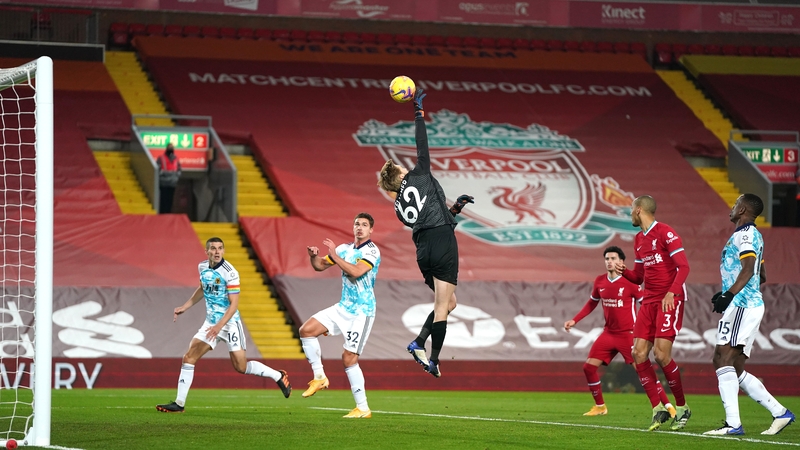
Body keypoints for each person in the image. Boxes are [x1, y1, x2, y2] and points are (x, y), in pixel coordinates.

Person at [377, 89, 474, 378]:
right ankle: (433, 359)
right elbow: (422, 143)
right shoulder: (418, 173)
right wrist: (418, 113)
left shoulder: (397, 206)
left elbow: (428, 214)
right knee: (443, 306)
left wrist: (453, 209)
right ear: (400, 173)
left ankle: (419, 341)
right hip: (442, 242)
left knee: (450, 302)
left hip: (423, 248)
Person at [156, 237, 291, 413]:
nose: (217, 251)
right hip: (211, 323)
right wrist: (185, 306)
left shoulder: (230, 272)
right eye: (213, 248)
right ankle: (179, 404)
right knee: (189, 357)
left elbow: (234, 304)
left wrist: (219, 326)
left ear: (224, 251)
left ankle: (277, 375)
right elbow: (202, 288)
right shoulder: (202, 267)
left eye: (220, 248)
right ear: (207, 252)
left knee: (241, 367)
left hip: (230, 324)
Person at [703, 194, 795, 436]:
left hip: (743, 305)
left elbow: (748, 268)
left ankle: (733, 424)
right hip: (746, 303)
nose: (731, 209)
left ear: (742, 209)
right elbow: (760, 274)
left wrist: (730, 294)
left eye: (734, 205)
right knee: (735, 365)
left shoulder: (744, 235)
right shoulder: (755, 236)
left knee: (721, 358)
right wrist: (728, 291)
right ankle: (780, 413)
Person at [565, 246, 671, 416]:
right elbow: (592, 302)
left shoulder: (631, 282)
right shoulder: (600, 281)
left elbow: (646, 304)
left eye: (613, 258)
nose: (609, 262)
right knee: (588, 367)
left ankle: (667, 406)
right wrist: (575, 320)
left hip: (628, 335)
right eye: (607, 259)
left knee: (643, 370)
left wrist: (652, 325)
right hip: (609, 334)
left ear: (621, 262)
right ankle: (600, 407)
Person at [614, 195, 691, 431]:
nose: (629, 215)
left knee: (661, 355)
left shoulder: (665, 232)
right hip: (648, 300)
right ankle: (657, 408)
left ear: (639, 210)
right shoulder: (638, 239)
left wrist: (671, 292)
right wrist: (624, 271)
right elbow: (639, 277)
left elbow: (684, 266)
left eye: (630, 211)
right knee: (638, 353)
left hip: (670, 299)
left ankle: (682, 407)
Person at [299, 213, 381, 419]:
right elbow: (320, 266)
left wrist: (335, 256)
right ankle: (319, 377)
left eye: (364, 225)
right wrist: (313, 256)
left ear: (371, 230)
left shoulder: (372, 251)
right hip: (344, 307)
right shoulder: (344, 249)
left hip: (363, 311)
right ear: (352, 228)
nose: (360, 227)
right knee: (306, 330)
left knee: (348, 358)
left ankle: (362, 408)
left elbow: (356, 271)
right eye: (357, 224)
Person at [157, 143, 181, 214]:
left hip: (172, 183)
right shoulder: (161, 158)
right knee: (163, 200)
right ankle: (162, 215)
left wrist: (176, 177)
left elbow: (179, 169)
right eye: (170, 147)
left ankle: (168, 214)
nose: (171, 149)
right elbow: (157, 169)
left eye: (172, 147)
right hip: (163, 183)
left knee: (170, 201)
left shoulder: (176, 158)